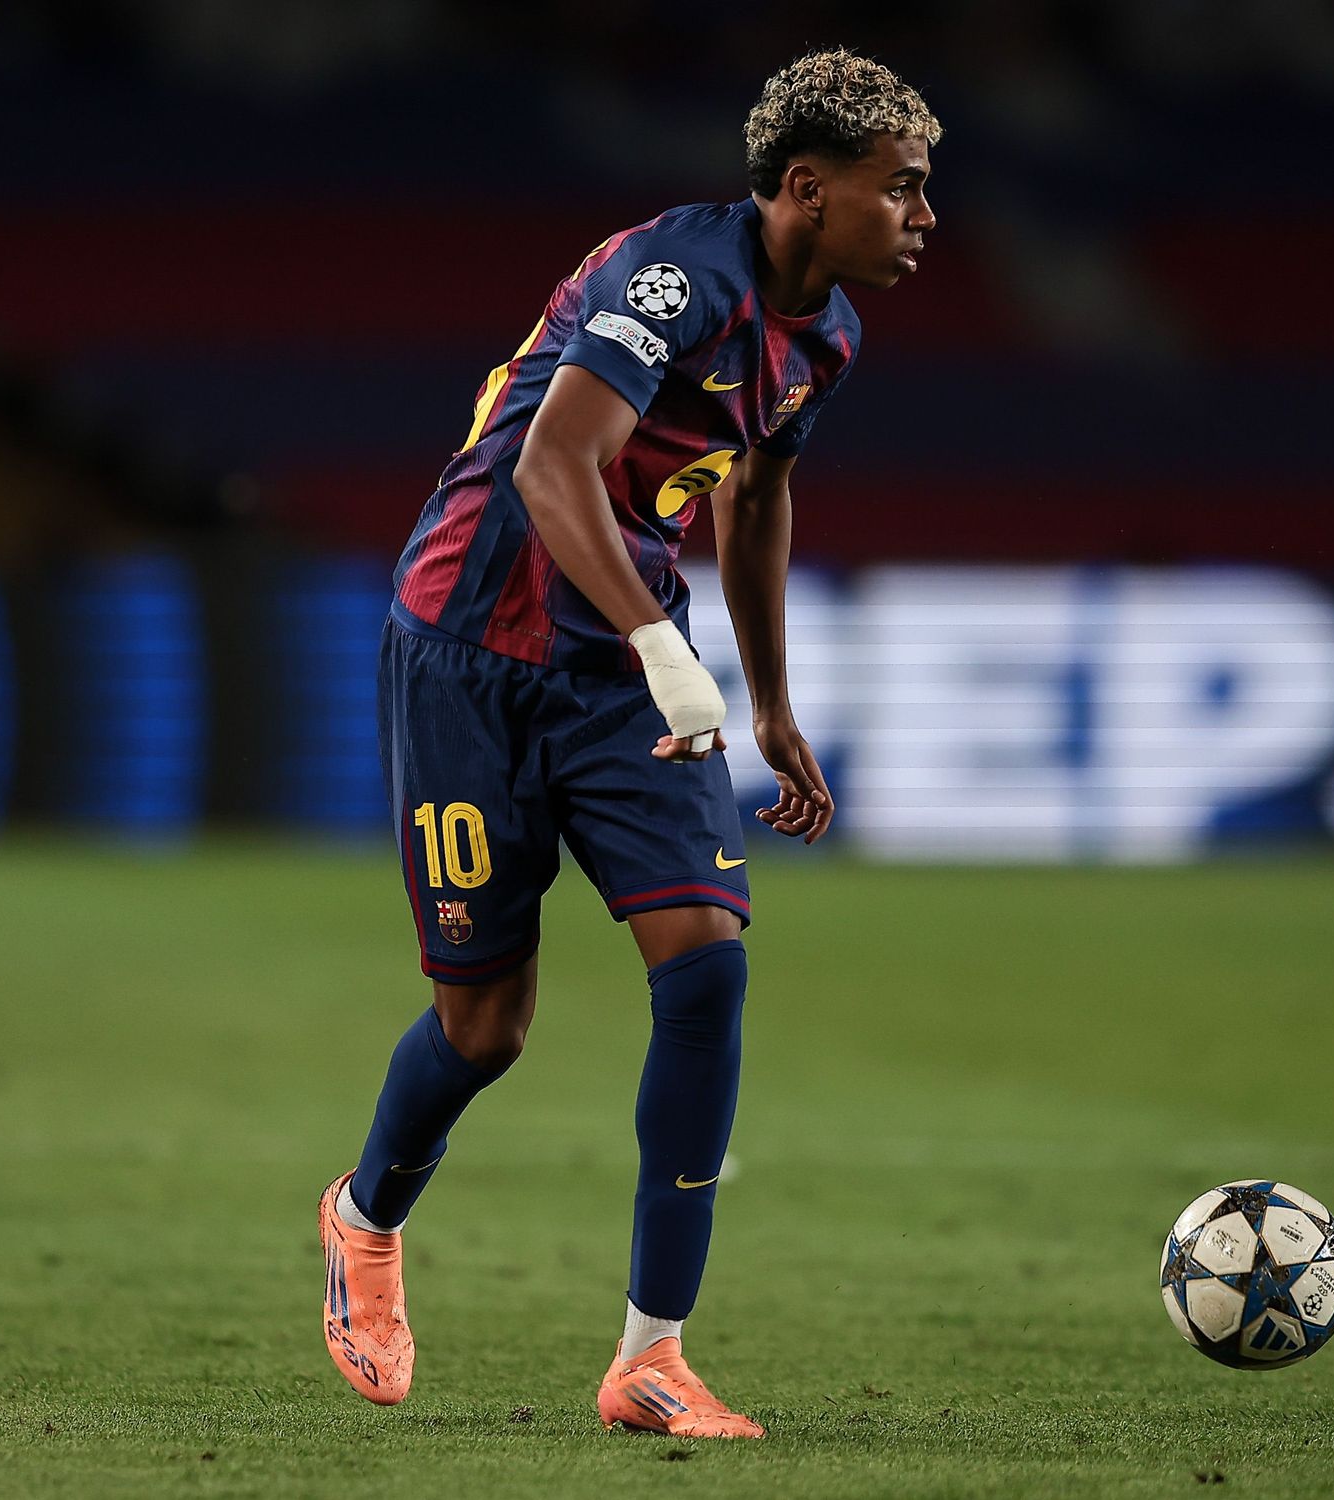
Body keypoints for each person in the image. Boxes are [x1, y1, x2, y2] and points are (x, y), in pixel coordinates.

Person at [317, 49, 940, 1438]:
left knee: (707, 963)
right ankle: (365, 1217)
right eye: (900, 188)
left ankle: (652, 1357)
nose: (923, 216)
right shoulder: (674, 278)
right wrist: (671, 651)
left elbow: (756, 495)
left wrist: (767, 699)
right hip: (471, 653)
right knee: (486, 1028)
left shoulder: (826, 335)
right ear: (807, 187)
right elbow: (554, 464)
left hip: (618, 673)